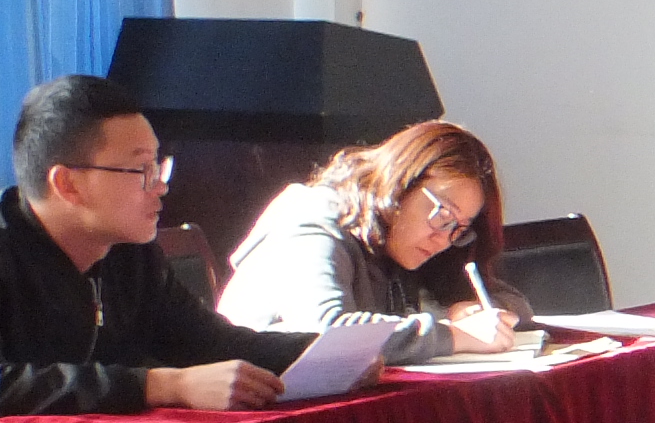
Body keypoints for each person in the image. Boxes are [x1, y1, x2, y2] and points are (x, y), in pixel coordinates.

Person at [0, 75, 317, 423]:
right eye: (141, 169)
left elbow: (213, 345)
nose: (161, 185)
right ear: (67, 184)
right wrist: (162, 385)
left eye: (160, 165)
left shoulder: (130, 255)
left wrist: (336, 354)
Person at [217, 121, 525, 360]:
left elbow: (515, 303)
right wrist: (454, 335)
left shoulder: (407, 242)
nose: (444, 239)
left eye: (459, 229)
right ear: (400, 184)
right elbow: (326, 332)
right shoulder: (313, 218)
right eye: (443, 216)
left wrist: (467, 310)